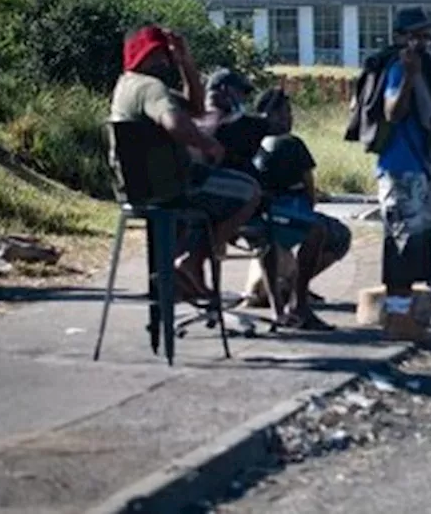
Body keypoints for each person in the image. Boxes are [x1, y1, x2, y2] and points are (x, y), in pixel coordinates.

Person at [108, 25, 261, 301]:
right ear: (147, 55)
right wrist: (209, 145)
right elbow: (176, 124)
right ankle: (191, 261)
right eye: (161, 56)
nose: (166, 61)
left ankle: (180, 271)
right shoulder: (151, 88)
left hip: (138, 190)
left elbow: (197, 109)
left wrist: (186, 63)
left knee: (212, 195)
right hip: (172, 189)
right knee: (249, 192)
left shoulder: (127, 86)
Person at [250, 89, 352, 330]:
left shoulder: (251, 142)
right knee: (321, 232)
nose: (289, 118)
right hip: (281, 213)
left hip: (255, 213)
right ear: (270, 115)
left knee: (272, 244)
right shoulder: (291, 143)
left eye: (289, 113)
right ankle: (299, 300)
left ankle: (281, 305)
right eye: (284, 113)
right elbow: (309, 189)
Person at [375, 8, 431, 342]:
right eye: (418, 36)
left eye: (427, 37)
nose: (424, 43)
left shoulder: (419, 71)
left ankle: (403, 314)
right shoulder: (397, 69)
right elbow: (392, 111)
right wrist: (406, 74)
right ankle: (397, 316)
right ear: (402, 38)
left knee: (413, 244)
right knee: (400, 245)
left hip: (415, 168)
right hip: (399, 168)